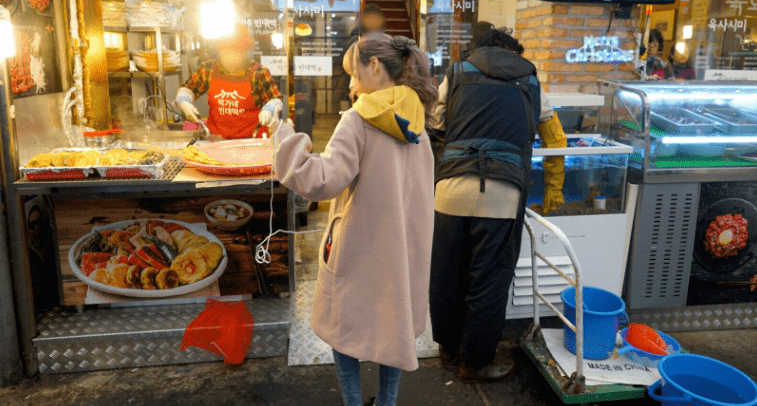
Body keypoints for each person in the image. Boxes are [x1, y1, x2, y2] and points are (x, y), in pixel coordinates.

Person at [269, 33, 437, 406]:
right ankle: (387, 401)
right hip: (405, 246)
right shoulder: (418, 121)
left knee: (343, 324)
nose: (350, 84)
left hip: (360, 243)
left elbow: (321, 181)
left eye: (353, 73)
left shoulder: (360, 118)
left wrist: (284, 139)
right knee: (395, 324)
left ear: (374, 66)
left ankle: (352, 401)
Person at [429, 28, 567, 383]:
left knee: (447, 273)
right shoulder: (531, 80)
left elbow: (436, 122)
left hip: (451, 188)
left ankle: (447, 350)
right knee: (488, 280)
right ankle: (476, 364)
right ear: (513, 52)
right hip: (502, 193)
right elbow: (556, 137)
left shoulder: (458, 72)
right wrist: (554, 187)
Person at [175, 22, 283, 139]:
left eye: (237, 53)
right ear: (220, 50)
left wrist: (270, 107)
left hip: (250, 141)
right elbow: (188, 88)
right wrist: (184, 101)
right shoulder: (208, 69)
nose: (231, 58)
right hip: (216, 140)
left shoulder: (259, 73)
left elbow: (276, 98)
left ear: (245, 51)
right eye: (227, 52)